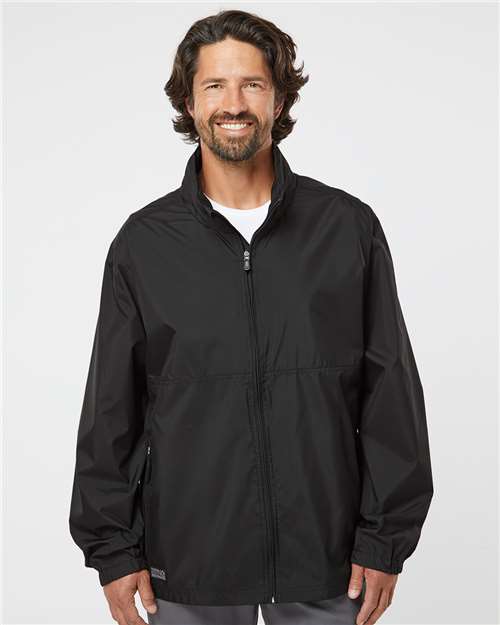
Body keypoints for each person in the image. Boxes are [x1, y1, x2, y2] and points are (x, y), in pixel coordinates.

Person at [68, 9, 434, 625]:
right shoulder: (144, 244)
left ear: (279, 98)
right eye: (215, 85)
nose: (233, 103)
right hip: (189, 559)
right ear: (189, 101)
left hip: (327, 559)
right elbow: (112, 408)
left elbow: (390, 394)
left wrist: (385, 539)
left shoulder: (346, 229)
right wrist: (113, 549)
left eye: (252, 84)